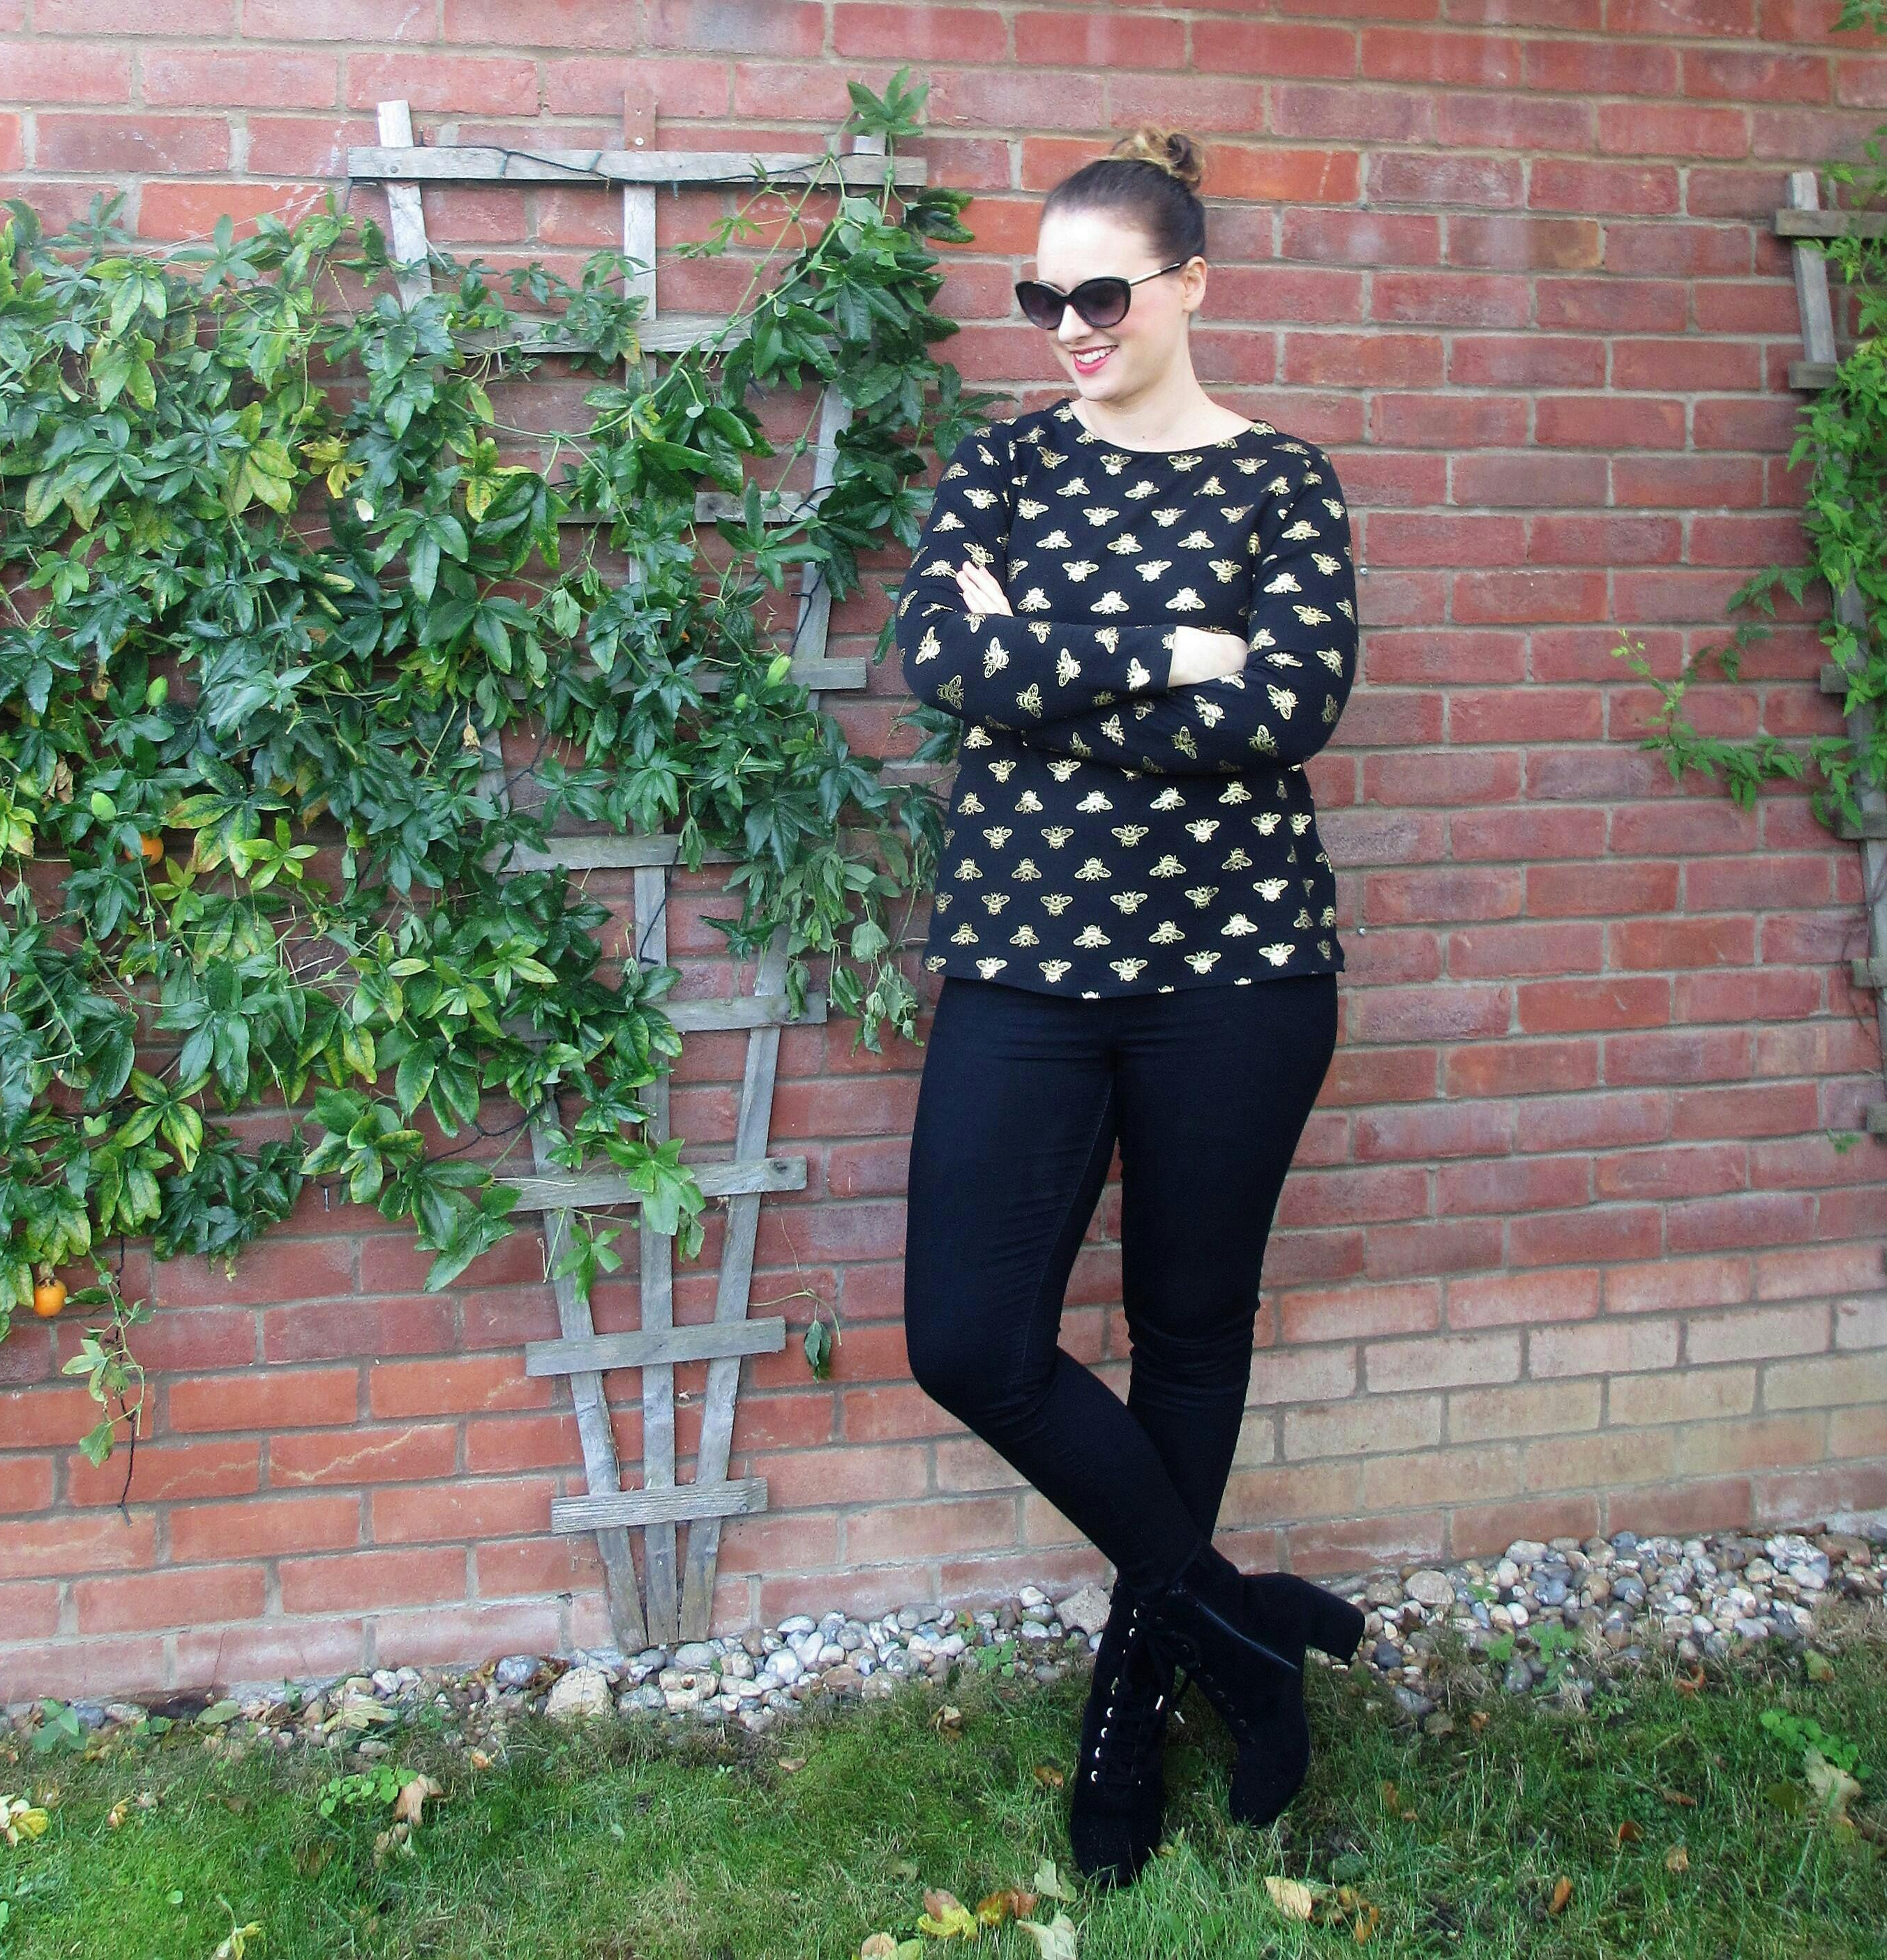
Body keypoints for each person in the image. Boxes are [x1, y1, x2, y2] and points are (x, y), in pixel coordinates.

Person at [893, 125, 1366, 1887]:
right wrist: (1175, 650)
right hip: (1023, 966)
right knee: (969, 1339)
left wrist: (1050, 675)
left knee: (1186, 1329)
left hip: (1239, 976)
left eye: (1103, 293)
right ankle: (1239, 1628)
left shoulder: (1283, 482)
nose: (1071, 327)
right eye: (1042, 299)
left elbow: (1289, 706)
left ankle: (1131, 1700)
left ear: (1191, 286)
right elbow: (944, 660)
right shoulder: (1004, 466)